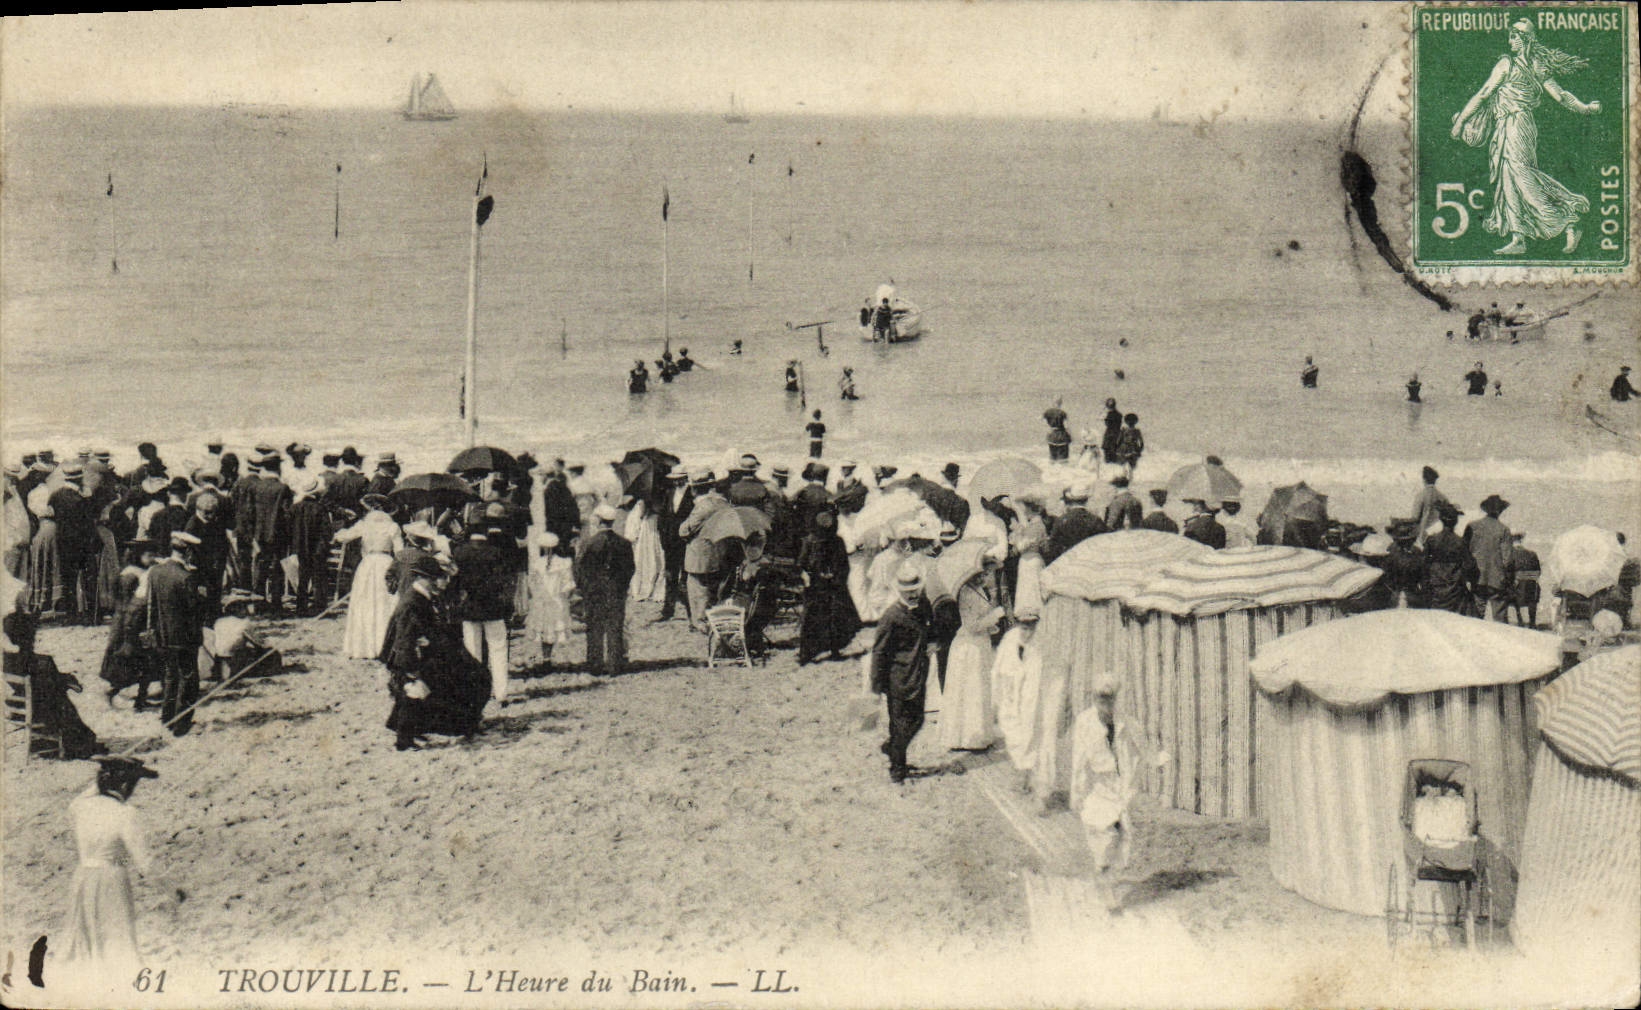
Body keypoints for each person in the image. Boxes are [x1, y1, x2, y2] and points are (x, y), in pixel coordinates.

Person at [1450, 19, 1600, 256]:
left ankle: (1568, 220)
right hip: (1510, 125)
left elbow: (1484, 93)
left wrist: (1460, 122)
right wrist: (1585, 108)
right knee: (1508, 178)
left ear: (1524, 40)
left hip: (1516, 125)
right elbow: (1560, 96)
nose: (1510, 41)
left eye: (1513, 37)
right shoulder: (1535, 65)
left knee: (1521, 175)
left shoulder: (1508, 64)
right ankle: (1518, 237)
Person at [378, 555, 487, 751]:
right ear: (421, 578)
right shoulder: (412, 602)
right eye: (433, 578)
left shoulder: (421, 596)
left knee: (416, 693)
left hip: (421, 652)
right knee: (414, 691)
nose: (437, 582)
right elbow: (404, 637)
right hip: (409, 656)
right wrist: (409, 667)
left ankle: (405, 727)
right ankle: (404, 740)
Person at [64, 756, 159, 974]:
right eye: (132, 784)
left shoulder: (80, 806)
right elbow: (145, 863)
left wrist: (103, 775)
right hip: (111, 879)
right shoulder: (125, 813)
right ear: (125, 785)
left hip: (83, 877)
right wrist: (171, 890)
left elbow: (83, 797)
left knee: (83, 941)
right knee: (117, 939)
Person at [872, 562, 934, 783]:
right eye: (908, 592)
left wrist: (934, 642)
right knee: (899, 724)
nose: (913, 594)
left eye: (916, 590)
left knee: (917, 720)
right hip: (897, 679)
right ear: (900, 591)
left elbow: (931, 629)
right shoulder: (891, 616)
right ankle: (897, 769)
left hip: (919, 674)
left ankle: (893, 749)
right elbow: (879, 652)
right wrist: (875, 686)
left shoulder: (923, 607)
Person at [939, 564, 1004, 752]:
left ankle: (979, 734)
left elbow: (982, 619)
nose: (985, 577)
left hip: (980, 645)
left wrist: (992, 622)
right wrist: (995, 615)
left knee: (979, 689)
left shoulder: (979, 590)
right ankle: (968, 737)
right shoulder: (966, 593)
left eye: (986, 573)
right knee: (971, 690)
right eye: (981, 574)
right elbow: (972, 625)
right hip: (969, 648)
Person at [148, 530, 204, 736]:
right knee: (188, 679)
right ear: (188, 552)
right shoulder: (186, 577)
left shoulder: (155, 572)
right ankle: (182, 723)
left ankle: (167, 718)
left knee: (170, 676)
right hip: (184, 637)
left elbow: (151, 605)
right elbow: (194, 611)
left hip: (162, 635)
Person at [450, 526, 514, 706]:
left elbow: (454, 584)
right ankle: (501, 693)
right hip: (493, 608)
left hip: (470, 608)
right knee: (498, 649)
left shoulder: (459, 553)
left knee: (472, 652)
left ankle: (474, 692)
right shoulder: (496, 552)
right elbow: (504, 582)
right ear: (486, 535)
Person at [333, 494, 402, 659]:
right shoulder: (393, 526)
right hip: (386, 562)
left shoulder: (364, 524)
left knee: (364, 601)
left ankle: (363, 647)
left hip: (368, 564)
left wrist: (338, 532)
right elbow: (399, 552)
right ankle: (383, 645)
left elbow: (343, 537)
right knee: (384, 603)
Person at [575, 505, 635, 676]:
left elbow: (580, 568)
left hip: (595, 591)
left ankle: (595, 664)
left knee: (595, 627)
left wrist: (584, 588)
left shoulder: (590, 543)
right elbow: (630, 568)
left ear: (599, 520)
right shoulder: (624, 543)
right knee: (615, 627)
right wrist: (622, 586)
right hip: (616, 591)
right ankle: (615, 664)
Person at [796, 512, 860, 665]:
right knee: (811, 620)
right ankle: (806, 653)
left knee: (836, 618)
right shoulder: (810, 541)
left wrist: (837, 577)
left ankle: (835, 649)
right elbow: (802, 563)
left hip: (834, 586)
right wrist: (810, 574)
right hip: (816, 587)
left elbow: (844, 564)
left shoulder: (837, 541)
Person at [679, 473, 729, 629]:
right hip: (720, 553)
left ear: (694, 489)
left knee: (698, 592)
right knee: (714, 591)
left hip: (700, 556)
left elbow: (684, 530)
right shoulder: (723, 503)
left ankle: (701, 623)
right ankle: (713, 621)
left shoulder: (702, 507)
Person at [247, 454, 292, 611]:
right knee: (277, 569)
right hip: (278, 535)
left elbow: (250, 513)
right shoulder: (283, 488)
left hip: (259, 535)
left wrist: (252, 535)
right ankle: (276, 603)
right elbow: (286, 514)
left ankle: (259, 602)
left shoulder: (255, 487)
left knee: (260, 568)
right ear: (278, 467)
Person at [286, 475, 332, 615]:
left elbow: (288, 529)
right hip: (318, 548)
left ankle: (301, 606)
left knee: (303, 576)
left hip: (300, 548)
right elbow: (327, 531)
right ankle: (319, 606)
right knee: (319, 577)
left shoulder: (295, 508)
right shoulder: (320, 508)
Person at [1464, 494, 1514, 621]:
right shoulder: (1504, 530)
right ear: (1500, 511)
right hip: (1497, 579)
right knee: (1500, 618)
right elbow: (1507, 560)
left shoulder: (1472, 526)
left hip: (1477, 578)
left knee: (1476, 616)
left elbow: (1465, 553)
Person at [1423, 503, 1479, 616]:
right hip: (1455, 589)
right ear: (1456, 521)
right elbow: (1470, 565)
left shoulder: (1431, 540)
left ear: (1441, 519)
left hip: (1435, 587)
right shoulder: (1460, 542)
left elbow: (1424, 563)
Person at [1042, 480, 1104, 565]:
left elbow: (1052, 548)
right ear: (1086, 500)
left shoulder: (1061, 520)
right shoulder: (1095, 520)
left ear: (1068, 501)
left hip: (1068, 562)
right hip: (1090, 562)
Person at [1410, 465, 1450, 549]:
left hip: (1424, 533)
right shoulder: (1442, 496)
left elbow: (1415, 517)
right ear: (1435, 480)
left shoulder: (1420, 495)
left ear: (1424, 480)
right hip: (1439, 532)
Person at [1100, 398, 1124, 465]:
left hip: (1110, 434)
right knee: (1114, 452)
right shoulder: (1119, 414)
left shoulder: (1109, 414)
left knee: (1108, 452)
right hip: (1117, 433)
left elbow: (1107, 424)